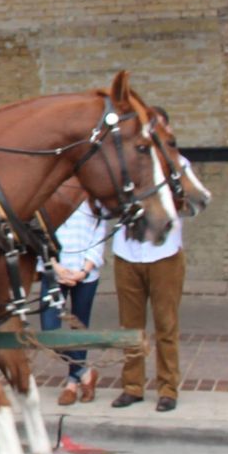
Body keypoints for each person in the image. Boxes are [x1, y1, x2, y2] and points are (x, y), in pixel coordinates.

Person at [111, 148, 193, 414]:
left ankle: (168, 388)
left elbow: (192, 203)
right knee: (130, 326)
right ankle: (132, 386)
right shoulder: (123, 166)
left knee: (166, 324)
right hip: (127, 253)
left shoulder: (176, 164)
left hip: (164, 254)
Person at [42, 192, 105, 405]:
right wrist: (56, 267)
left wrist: (84, 271)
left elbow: (99, 236)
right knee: (50, 331)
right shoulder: (50, 196)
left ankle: (72, 383)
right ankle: (85, 373)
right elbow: (41, 234)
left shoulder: (95, 199)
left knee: (79, 328)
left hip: (85, 272)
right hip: (55, 271)